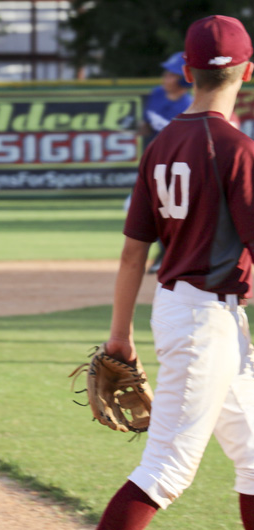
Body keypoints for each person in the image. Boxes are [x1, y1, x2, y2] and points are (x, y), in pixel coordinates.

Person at [99, 15, 254, 530]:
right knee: (165, 470)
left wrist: (120, 336)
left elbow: (132, 255)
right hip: (204, 322)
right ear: (248, 72)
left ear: (187, 72)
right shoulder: (238, 149)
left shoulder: (160, 145)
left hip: (190, 313)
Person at [135, 51, 194, 274]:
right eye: (166, 73)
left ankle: (168, 255)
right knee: (145, 211)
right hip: (151, 165)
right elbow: (147, 125)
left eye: (171, 74)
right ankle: (165, 255)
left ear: (184, 79)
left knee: (166, 213)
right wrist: (139, 127)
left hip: (174, 168)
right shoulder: (156, 94)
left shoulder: (188, 106)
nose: (165, 78)